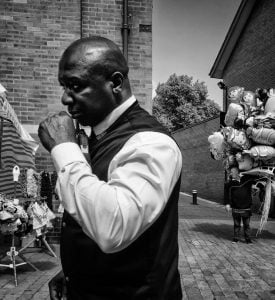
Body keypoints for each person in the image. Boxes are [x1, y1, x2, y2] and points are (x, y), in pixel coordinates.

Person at [38, 36, 183, 300]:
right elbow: (93, 205)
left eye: (75, 85)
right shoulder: (101, 135)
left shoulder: (150, 143)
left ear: (115, 83)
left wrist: (64, 149)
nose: (64, 98)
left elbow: (114, 226)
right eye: (63, 86)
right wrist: (74, 272)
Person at [224, 171, 255, 244]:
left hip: (246, 206)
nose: (231, 173)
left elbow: (256, 179)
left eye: (232, 172)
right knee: (237, 224)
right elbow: (226, 194)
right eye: (230, 172)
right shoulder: (229, 184)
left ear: (238, 172)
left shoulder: (247, 180)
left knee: (246, 225)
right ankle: (236, 238)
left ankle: (248, 239)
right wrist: (227, 204)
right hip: (236, 207)